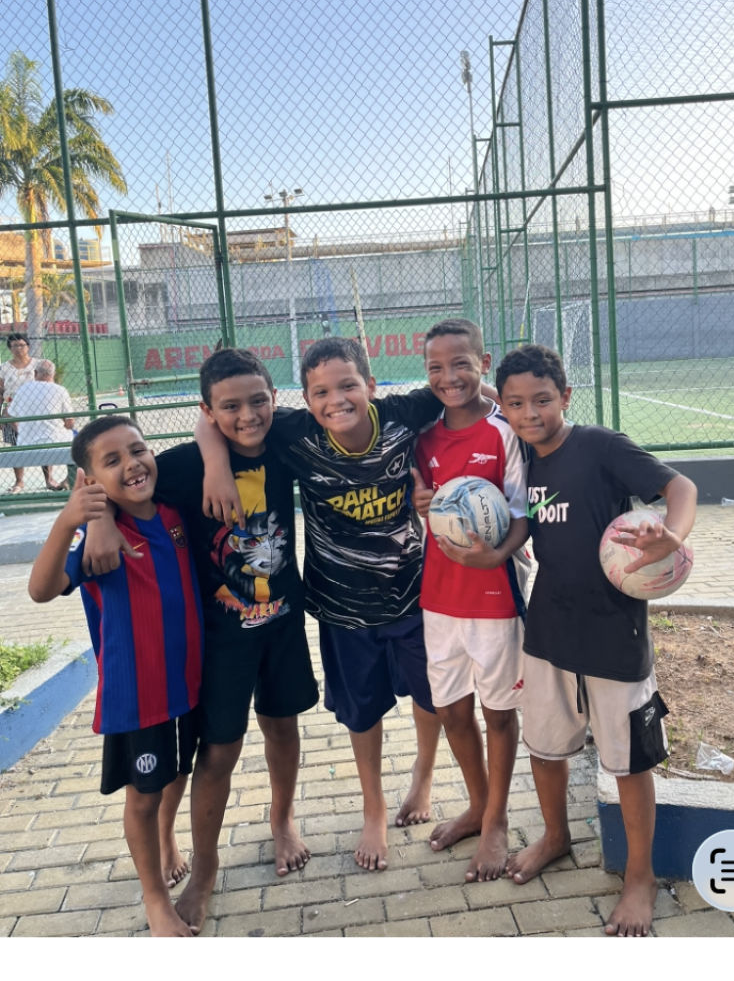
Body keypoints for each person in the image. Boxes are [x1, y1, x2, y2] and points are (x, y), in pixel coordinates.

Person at [197, 335, 465, 872]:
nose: (336, 400)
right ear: (304, 398)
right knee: (361, 711)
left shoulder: (402, 414)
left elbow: (461, 393)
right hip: (342, 608)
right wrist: (214, 465)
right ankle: (373, 808)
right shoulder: (294, 432)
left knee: (435, 698)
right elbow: (213, 419)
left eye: (348, 386)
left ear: (371, 385)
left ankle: (424, 775)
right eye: (320, 392)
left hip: (414, 594)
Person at [82, 350, 319, 932]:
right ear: (207, 412)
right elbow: (112, 482)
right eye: (229, 407)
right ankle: (200, 864)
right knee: (214, 754)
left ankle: (282, 819)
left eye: (258, 400)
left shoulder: (286, 437)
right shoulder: (184, 467)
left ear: (274, 397)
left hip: (282, 622)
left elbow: (360, 408)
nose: (248, 415)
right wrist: (98, 521)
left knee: (282, 726)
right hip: (217, 641)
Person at [496, 343, 697, 938]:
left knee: (628, 762)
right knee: (544, 747)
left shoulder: (600, 446)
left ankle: (640, 876)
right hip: (549, 631)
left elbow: (680, 487)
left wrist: (672, 537)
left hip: (614, 634)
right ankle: (555, 836)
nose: (529, 413)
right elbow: (479, 399)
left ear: (566, 396)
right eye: (515, 404)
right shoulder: (520, 457)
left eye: (542, 400)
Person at [27, 417, 203, 937]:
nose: (132, 464)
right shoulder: (94, 538)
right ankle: (154, 900)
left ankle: (168, 840)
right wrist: (70, 520)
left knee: (177, 772)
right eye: (112, 460)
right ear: (89, 481)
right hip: (138, 695)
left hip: (189, 683)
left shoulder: (173, 512)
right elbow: (40, 590)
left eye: (138, 450)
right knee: (143, 796)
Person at [410, 319, 532, 883]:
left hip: (494, 595)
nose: (449, 376)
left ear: (483, 364)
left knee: (498, 712)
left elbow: (521, 513)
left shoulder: (504, 431)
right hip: (439, 597)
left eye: (461, 363)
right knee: (452, 711)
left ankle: (497, 821)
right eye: (436, 367)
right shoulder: (423, 437)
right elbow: (423, 505)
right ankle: (478, 805)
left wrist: (497, 554)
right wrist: (420, 502)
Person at [11, 359, 74, 490]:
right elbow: (70, 422)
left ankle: (20, 482)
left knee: (42, 433)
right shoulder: (60, 390)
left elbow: (10, 415)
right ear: (53, 374)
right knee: (83, 442)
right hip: (55, 442)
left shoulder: (23, 389)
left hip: (26, 443)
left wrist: (20, 430)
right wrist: (64, 425)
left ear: (35, 373)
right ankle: (68, 481)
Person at [0, 333, 37, 493]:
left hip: (35, 409)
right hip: (11, 411)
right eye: (14, 346)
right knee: (15, 445)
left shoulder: (37, 364)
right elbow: (1, 391)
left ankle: (49, 479)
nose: (18, 349)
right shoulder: (4, 368)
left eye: (21, 345)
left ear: (28, 346)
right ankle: (19, 481)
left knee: (43, 443)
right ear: (9, 348)